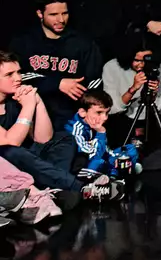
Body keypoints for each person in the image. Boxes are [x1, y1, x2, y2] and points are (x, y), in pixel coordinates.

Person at [0, 50, 120, 200]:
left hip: (28, 159)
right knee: (11, 152)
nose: (18, 78)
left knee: (64, 138)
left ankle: (55, 188)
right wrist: (28, 106)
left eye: (18, 72)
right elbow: (11, 143)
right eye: (9, 75)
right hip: (6, 165)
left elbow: (43, 138)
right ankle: (80, 188)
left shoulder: (15, 100)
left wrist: (37, 101)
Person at [11, 0, 103, 127]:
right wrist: (57, 83)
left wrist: (89, 108)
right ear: (40, 14)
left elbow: (95, 80)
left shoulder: (83, 43)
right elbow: (18, 77)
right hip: (30, 114)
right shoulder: (23, 42)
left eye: (64, 13)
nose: (61, 19)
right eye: (53, 14)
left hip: (71, 117)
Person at [101, 40, 161, 140]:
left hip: (151, 120)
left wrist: (155, 94)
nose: (141, 65)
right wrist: (133, 89)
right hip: (121, 120)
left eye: (146, 60)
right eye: (137, 60)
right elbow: (111, 109)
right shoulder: (112, 67)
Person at [66, 89, 140, 179]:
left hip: (100, 157)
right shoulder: (75, 129)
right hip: (84, 166)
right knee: (99, 162)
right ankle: (113, 175)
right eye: (99, 112)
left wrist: (117, 156)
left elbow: (106, 150)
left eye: (107, 113)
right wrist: (101, 133)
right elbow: (92, 156)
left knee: (130, 149)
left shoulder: (93, 125)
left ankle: (115, 174)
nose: (105, 117)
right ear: (83, 112)